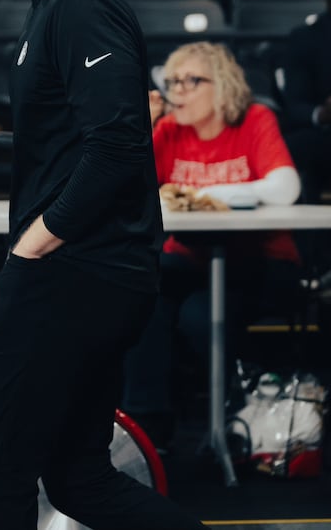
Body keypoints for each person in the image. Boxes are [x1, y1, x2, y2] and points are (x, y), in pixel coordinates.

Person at [0, 0, 206, 530]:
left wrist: (35, 243)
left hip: (71, 275)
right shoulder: (56, 1)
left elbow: (118, 146)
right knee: (78, 482)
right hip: (97, 275)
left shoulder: (79, 5)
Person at [122, 41, 303, 452]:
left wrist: (201, 192)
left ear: (221, 85)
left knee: (200, 314)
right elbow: (130, 193)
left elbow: (285, 186)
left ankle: (242, 417)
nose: (177, 91)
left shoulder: (254, 119)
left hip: (262, 262)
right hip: (190, 259)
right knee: (137, 292)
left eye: (191, 81)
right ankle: (147, 426)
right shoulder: (168, 129)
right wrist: (141, 130)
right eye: (171, 82)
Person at [281, 0, 331, 205]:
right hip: (324, 134)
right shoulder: (306, 38)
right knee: (299, 144)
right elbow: (295, 108)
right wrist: (322, 113)